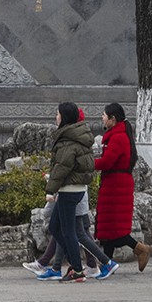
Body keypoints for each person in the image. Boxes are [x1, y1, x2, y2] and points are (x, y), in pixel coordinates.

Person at [92, 102, 151, 272]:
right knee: (110, 228)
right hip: (115, 184)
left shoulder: (117, 137)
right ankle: (106, 264)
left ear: (113, 119)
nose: (102, 118)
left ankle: (140, 249)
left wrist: (88, 163)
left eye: (104, 115)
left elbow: (107, 161)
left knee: (114, 229)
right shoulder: (118, 135)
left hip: (116, 185)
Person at [42, 102, 97, 282]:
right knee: (55, 228)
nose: (55, 117)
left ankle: (78, 270)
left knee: (68, 231)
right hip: (75, 188)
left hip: (69, 189)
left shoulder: (68, 140)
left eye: (57, 114)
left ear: (63, 117)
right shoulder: (78, 135)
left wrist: (51, 189)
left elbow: (62, 168)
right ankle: (75, 263)